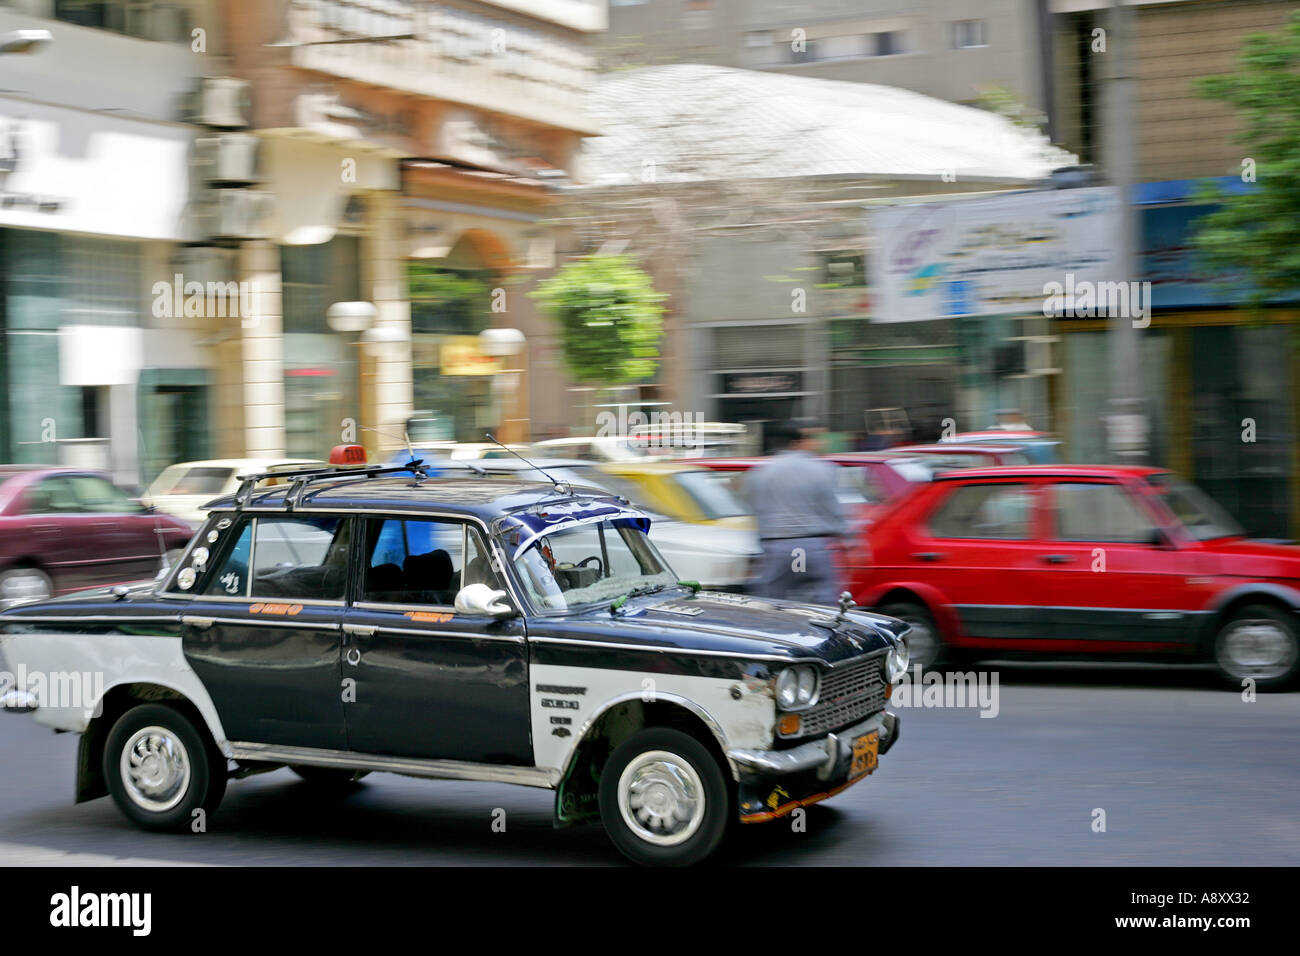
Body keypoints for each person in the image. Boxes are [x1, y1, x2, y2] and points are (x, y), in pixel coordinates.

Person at [742, 418, 848, 605]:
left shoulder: (760, 472)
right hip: (811, 546)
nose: (819, 442)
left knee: (772, 603)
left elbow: (756, 509)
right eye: (814, 437)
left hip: (777, 547)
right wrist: (847, 536)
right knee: (824, 604)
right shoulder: (822, 469)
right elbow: (832, 509)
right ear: (798, 442)